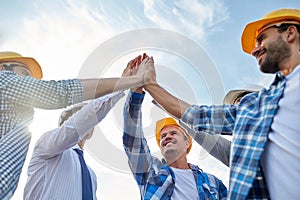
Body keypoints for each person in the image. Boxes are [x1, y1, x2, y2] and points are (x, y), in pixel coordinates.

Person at [141, 8, 300, 199]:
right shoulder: (255, 108)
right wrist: (151, 86)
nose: (255, 49)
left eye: (261, 39)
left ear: (290, 33)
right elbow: (196, 117)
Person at [0, 51, 148, 199]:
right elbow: (62, 96)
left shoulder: (91, 175)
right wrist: (123, 83)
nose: (29, 80)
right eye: (25, 74)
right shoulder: (47, 145)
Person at [123, 87, 228, 199]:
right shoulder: (150, 171)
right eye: (163, 136)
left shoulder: (213, 183)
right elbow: (133, 143)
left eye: (173, 133)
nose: (167, 137)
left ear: (187, 142)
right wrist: (135, 95)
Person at [24, 91, 124, 199]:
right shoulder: (47, 145)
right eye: (80, 113)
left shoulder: (91, 175)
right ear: (65, 122)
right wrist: (121, 86)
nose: (90, 120)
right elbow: (80, 122)